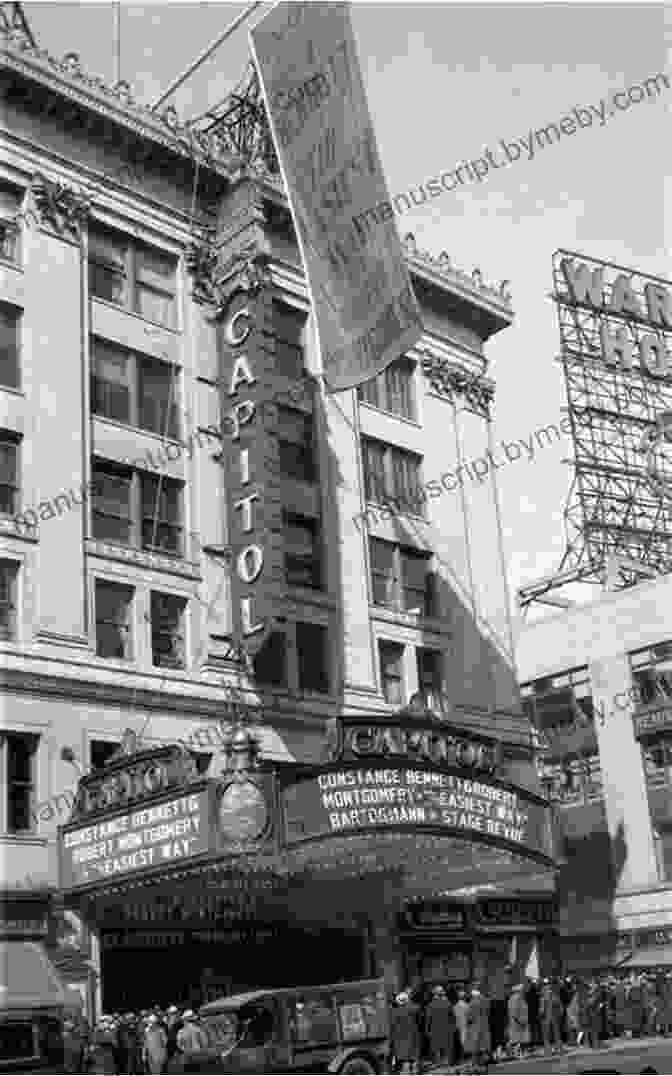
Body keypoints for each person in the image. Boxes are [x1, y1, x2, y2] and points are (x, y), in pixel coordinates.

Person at [389, 991, 421, 1074]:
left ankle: (406, 1071)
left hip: (400, 1038)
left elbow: (392, 1026)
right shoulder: (413, 1009)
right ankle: (415, 1070)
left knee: (404, 1059)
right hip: (412, 1036)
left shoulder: (395, 1012)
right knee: (413, 1058)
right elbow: (418, 1009)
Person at [424, 985, 456, 1067]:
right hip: (447, 1029)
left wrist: (427, 1030)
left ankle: (438, 1062)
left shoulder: (430, 1005)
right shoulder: (448, 1003)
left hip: (435, 1029)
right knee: (447, 1046)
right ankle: (448, 1062)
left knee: (436, 1046)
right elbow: (452, 1017)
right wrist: (453, 1028)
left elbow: (428, 1019)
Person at [464, 984, 491, 1068]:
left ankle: (475, 1064)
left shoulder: (472, 1003)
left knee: (475, 1047)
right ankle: (483, 1063)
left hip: (475, 1027)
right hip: (484, 1025)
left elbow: (469, 1017)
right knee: (483, 1045)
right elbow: (488, 1012)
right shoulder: (486, 1001)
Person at [540, 978, 564, 1055]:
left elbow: (559, 1005)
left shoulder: (550, 995)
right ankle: (556, 1049)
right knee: (554, 1034)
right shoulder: (553, 994)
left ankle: (551, 1050)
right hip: (551, 1017)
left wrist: (541, 1013)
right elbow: (560, 1006)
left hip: (550, 1017)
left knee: (549, 1034)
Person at [507, 983, 530, 1059]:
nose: (524, 991)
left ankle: (517, 1053)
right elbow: (514, 1012)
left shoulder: (519, 998)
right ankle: (515, 1053)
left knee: (519, 1039)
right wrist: (519, 1020)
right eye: (523, 990)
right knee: (517, 1039)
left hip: (520, 1021)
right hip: (518, 1022)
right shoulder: (516, 998)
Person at [453, 987, 469, 1064]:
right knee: (465, 1041)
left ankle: (462, 1057)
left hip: (458, 1026)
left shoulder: (455, 1007)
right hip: (465, 1025)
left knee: (460, 1042)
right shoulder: (467, 1006)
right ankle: (465, 1056)